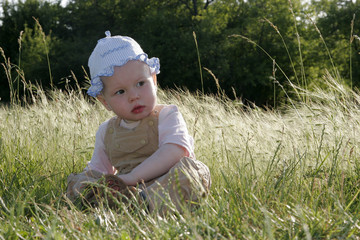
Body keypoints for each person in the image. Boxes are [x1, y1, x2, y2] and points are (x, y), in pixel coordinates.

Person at [66, 31, 211, 214]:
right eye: (120, 92)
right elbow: (99, 170)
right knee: (86, 178)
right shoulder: (106, 131)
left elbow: (175, 151)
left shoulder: (166, 115)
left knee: (193, 171)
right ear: (105, 101)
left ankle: (144, 204)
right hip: (127, 190)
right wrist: (98, 183)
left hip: (165, 186)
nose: (134, 96)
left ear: (154, 79)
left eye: (140, 83)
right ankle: (101, 203)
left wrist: (132, 177)